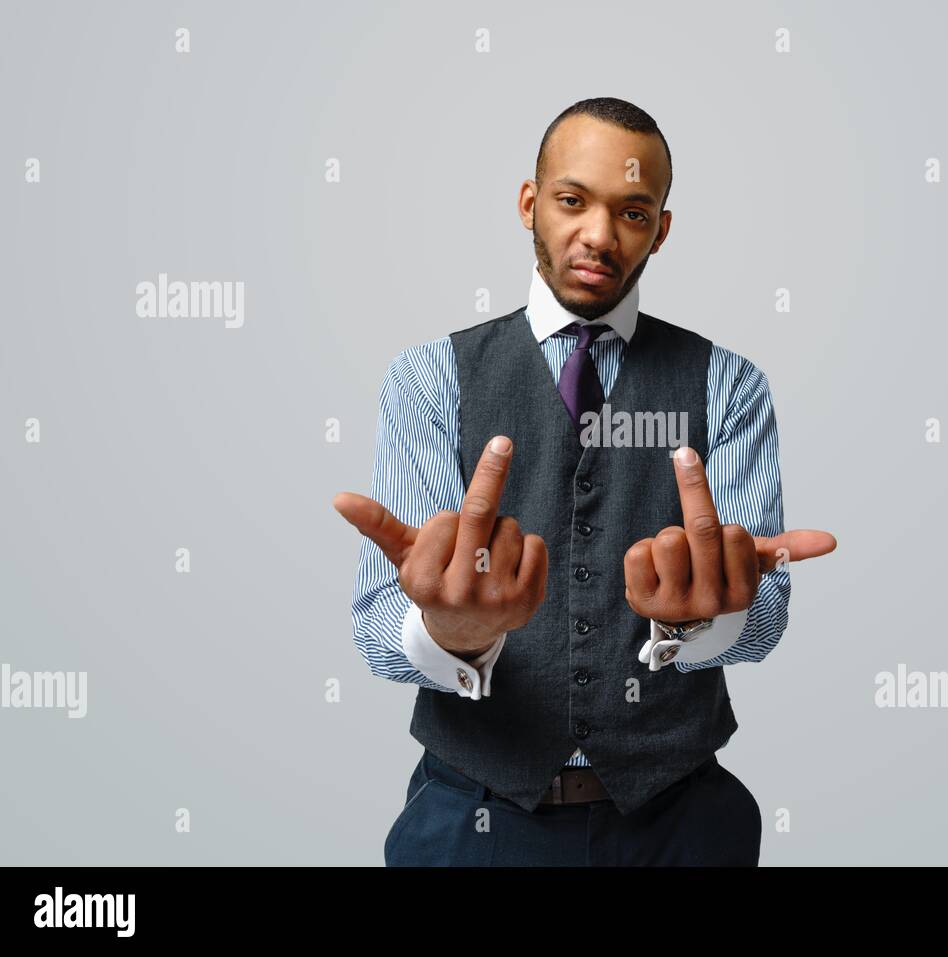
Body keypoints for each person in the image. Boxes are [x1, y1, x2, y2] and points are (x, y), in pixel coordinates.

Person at [333, 97, 836, 866]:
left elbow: (761, 622)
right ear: (530, 204)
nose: (598, 235)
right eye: (572, 201)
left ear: (660, 230)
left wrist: (699, 623)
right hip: (472, 822)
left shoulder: (728, 385)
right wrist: (449, 633)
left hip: (682, 825)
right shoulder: (431, 379)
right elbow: (377, 626)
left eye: (633, 212)